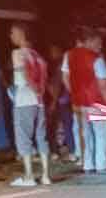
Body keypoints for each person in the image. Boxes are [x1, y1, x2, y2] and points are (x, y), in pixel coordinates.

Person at [63, 31, 106, 174]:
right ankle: (101, 165)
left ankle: (87, 165)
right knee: (101, 134)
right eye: (98, 43)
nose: (100, 46)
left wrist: (74, 93)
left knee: (85, 135)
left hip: (78, 103)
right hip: (96, 102)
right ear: (89, 41)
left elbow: (65, 77)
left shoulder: (69, 55)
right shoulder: (97, 59)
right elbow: (103, 85)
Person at [9, 23, 51, 187]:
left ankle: (29, 176)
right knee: (41, 136)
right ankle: (46, 175)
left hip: (24, 99)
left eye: (13, 33)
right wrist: (39, 91)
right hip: (39, 101)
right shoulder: (38, 56)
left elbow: (23, 76)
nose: (11, 36)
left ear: (21, 34)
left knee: (23, 137)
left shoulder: (17, 53)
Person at [47, 44, 75, 161]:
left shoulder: (59, 66)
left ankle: (57, 151)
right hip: (65, 100)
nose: (51, 54)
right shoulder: (63, 65)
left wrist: (53, 102)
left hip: (60, 100)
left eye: (54, 51)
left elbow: (57, 85)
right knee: (67, 126)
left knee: (56, 126)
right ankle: (71, 150)